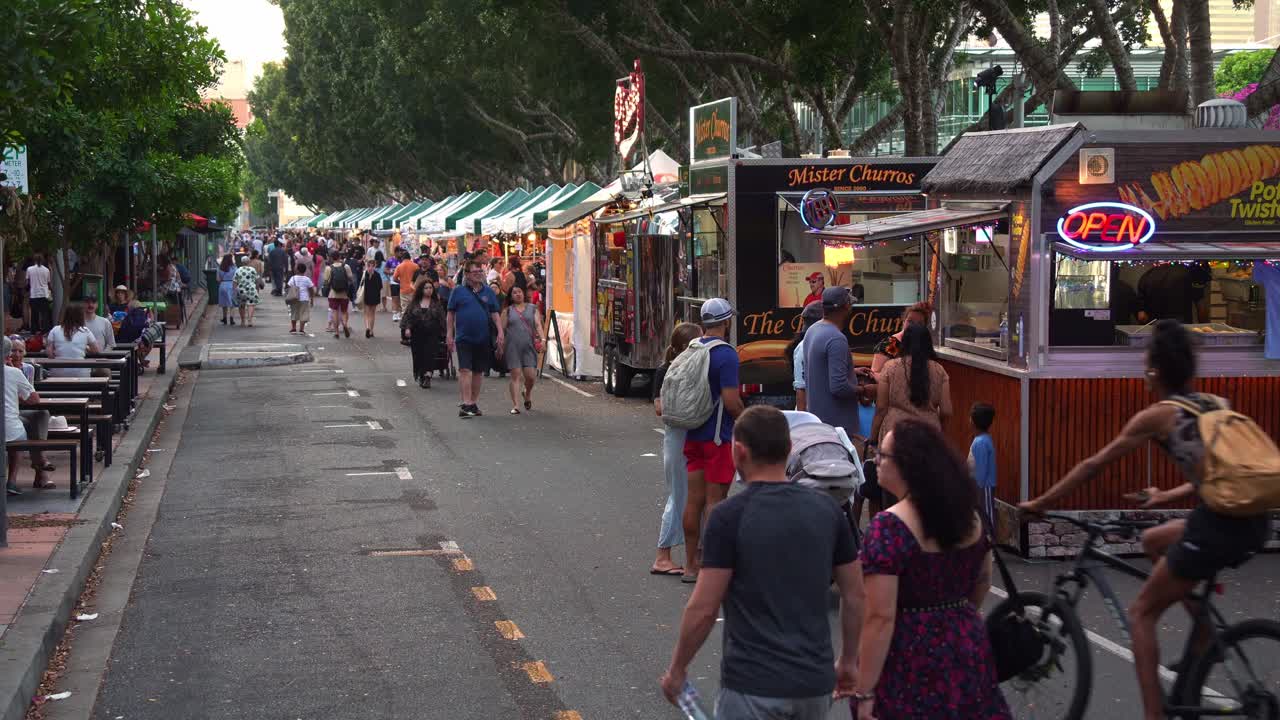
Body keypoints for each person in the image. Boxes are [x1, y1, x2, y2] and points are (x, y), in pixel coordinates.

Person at [1020, 319, 1270, 720]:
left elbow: (1093, 465)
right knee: (1155, 541)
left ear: (1154, 371)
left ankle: (1154, 715)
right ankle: (1203, 630)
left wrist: (1043, 502)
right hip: (1251, 518)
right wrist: (1166, 496)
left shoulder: (1158, 415)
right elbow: (1221, 475)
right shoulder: (1214, 404)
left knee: (1142, 612)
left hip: (1219, 524)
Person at [660, 406, 863, 718]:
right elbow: (854, 594)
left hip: (752, 685)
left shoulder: (729, 517)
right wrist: (848, 659)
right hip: (813, 683)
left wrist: (677, 669)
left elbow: (704, 608)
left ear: (739, 452)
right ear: (788, 449)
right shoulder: (828, 510)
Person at [854, 420, 1010, 720]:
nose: (876, 461)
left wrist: (865, 691)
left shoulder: (890, 526)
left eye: (882, 455)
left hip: (909, 655)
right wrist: (952, 613)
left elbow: (879, 617)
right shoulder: (970, 515)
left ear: (906, 466)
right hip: (966, 645)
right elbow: (983, 580)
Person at [680, 298, 744, 584]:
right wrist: (746, 422)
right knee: (716, 502)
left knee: (693, 501)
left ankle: (689, 565)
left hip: (693, 433)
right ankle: (712, 565)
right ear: (726, 321)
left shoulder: (693, 348)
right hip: (718, 437)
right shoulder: (726, 355)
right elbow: (731, 401)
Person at [650, 322, 702, 576]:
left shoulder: (688, 367)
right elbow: (659, 408)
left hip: (686, 437)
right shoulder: (666, 371)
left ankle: (693, 555)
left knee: (691, 496)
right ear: (685, 346)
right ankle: (663, 554)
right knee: (679, 496)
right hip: (677, 437)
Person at [869, 323, 953, 443]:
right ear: (928, 343)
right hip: (929, 435)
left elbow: (881, 408)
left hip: (895, 435)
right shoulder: (939, 370)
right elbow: (946, 411)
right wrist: (941, 434)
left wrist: (873, 438)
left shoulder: (890, 367)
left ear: (904, 342)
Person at [446, 258, 502, 418]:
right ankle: (466, 403)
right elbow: (450, 314)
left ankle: (473, 402)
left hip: (483, 337)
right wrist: (449, 335)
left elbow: (495, 313)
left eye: (480, 271)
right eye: (475, 272)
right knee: (465, 370)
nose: (478, 274)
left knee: (478, 371)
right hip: (463, 337)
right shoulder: (458, 291)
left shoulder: (488, 292)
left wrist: (500, 331)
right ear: (467, 274)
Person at [804, 287, 861, 434]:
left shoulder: (813, 330)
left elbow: (817, 370)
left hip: (818, 424)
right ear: (846, 307)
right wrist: (864, 390)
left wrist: (851, 372)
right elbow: (839, 387)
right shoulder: (836, 338)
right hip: (838, 428)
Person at [4, 337, 53, 495]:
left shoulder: (25, 369)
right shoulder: (14, 372)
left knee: (34, 418)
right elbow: (34, 399)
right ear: (7, 356)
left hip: (16, 416)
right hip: (12, 425)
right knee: (18, 429)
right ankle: (13, 480)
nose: (16, 354)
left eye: (20, 351)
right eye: (13, 351)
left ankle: (40, 467)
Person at [498, 286, 543, 414]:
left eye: (519, 292)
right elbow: (502, 329)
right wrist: (500, 345)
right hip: (512, 346)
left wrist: (543, 339)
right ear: (511, 296)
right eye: (514, 293)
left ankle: (527, 393)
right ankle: (516, 405)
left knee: (531, 376)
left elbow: (538, 325)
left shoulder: (532, 308)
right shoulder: (507, 311)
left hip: (529, 346)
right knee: (515, 375)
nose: (518, 294)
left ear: (523, 294)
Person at [401, 280, 447, 388]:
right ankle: (421, 375)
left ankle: (428, 376)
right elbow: (407, 317)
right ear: (421, 290)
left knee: (430, 354)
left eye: (430, 288)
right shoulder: (414, 303)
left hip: (432, 333)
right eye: (426, 288)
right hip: (417, 333)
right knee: (418, 355)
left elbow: (442, 319)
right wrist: (407, 328)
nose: (429, 290)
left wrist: (445, 333)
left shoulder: (436, 304)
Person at [787, 301, 824, 412]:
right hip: (812, 416)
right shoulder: (805, 347)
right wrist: (803, 422)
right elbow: (801, 389)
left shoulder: (818, 343)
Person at [47, 303, 101, 377]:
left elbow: (50, 354)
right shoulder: (85, 331)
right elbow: (96, 350)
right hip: (80, 372)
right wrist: (86, 348)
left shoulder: (55, 329)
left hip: (58, 372)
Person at [969, 402, 997, 523]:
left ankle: (991, 538)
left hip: (983, 487)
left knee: (987, 514)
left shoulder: (980, 442)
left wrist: (976, 489)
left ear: (973, 421)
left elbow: (981, 471)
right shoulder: (983, 439)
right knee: (983, 514)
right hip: (981, 486)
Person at [323, 253, 355, 339]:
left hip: (333, 294)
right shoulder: (346, 266)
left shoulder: (328, 268)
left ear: (331, 258)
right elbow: (351, 278)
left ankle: (336, 331)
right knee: (344, 311)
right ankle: (344, 324)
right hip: (344, 293)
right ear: (340, 257)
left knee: (335, 312)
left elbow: (326, 281)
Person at [26, 254, 52, 333]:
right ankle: (45, 330)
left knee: (34, 313)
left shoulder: (29, 269)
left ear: (34, 260)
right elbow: (48, 283)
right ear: (43, 260)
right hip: (44, 294)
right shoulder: (46, 270)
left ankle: (34, 330)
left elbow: (27, 281)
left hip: (34, 294)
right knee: (44, 314)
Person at [286, 265, 315, 335]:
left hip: (294, 298)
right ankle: (301, 329)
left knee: (294, 313)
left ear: (297, 270)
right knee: (304, 313)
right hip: (304, 298)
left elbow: (288, 286)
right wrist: (312, 299)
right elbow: (311, 289)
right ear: (304, 271)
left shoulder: (293, 278)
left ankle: (293, 328)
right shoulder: (307, 279)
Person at [233, 256, 262, 327]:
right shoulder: (252, 269)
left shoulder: (238, 270)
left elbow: (235, 281)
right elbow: (257, 280)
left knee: (241, 305)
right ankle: (249, 320)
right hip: (251, 289)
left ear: (242, 262)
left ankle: (243, 321)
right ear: (248, 262)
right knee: (251, 304)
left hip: (241, 290)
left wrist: (234, 290)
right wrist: (257, 287)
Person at [360, 258, 383, 338]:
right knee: (372, 313)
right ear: (375, 266)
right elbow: (380, 286)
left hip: (366, 295)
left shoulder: (364, 274)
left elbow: (361, 285)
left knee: (366, 313)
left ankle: (367, 327)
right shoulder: (377, 275)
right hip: (375, 296)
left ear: (367, 266)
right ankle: (371, 331)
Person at [393, 250, 419, 319]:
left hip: (403, 290)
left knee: (405, 310)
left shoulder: (399, 266)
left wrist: (400, 282)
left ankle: (406, 325)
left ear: (402, 258)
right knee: (414, 308)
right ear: (410, 257)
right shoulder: (416, 266)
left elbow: (394, 278)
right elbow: (419, 278)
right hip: (414, 289)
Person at [217, 254, 238, 325]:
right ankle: (231, 318)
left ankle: (224, 318)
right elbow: (237, 278)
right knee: (232, 303)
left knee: (224, 303)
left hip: (223, 285)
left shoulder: (220, 268)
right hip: (232, 285)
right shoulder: (234, 267)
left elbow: (218, 279)